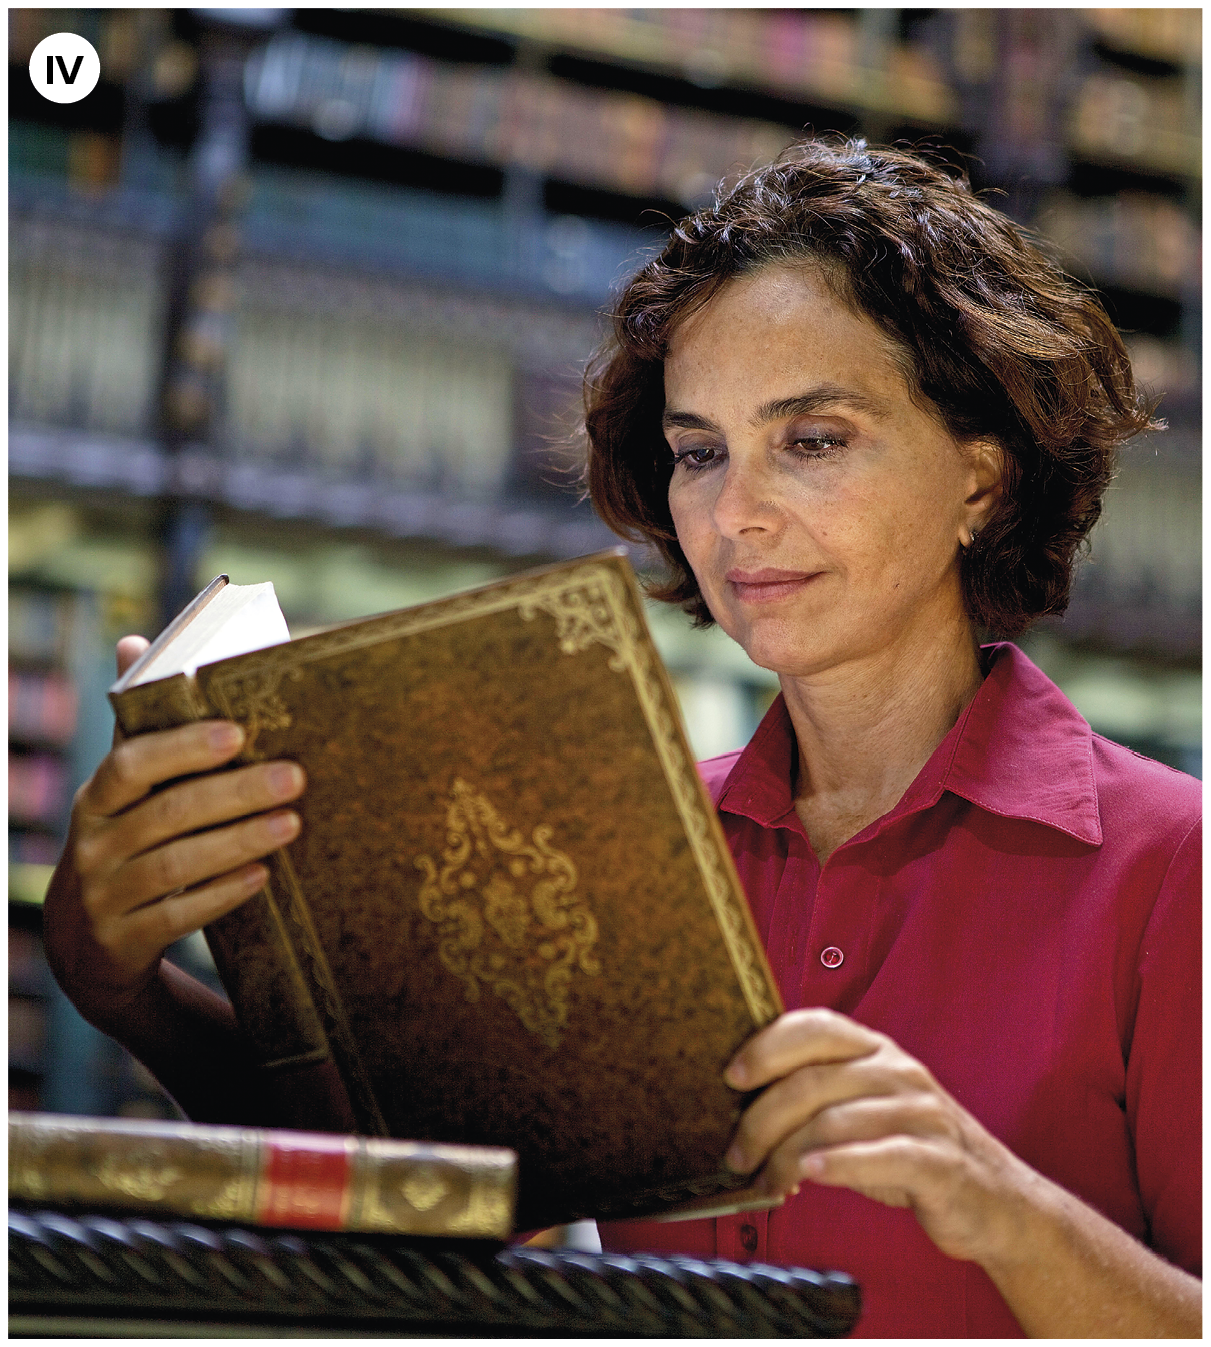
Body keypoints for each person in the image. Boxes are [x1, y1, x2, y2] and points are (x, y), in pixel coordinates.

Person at [43, 139, 1198, 1336]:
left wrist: (998, 1205)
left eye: (811, 439)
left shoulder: (1172, 867)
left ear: (981, 476)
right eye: (699, 451)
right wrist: (118, 982)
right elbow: (406, 1181)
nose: (733, 510)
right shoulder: (625, 832)